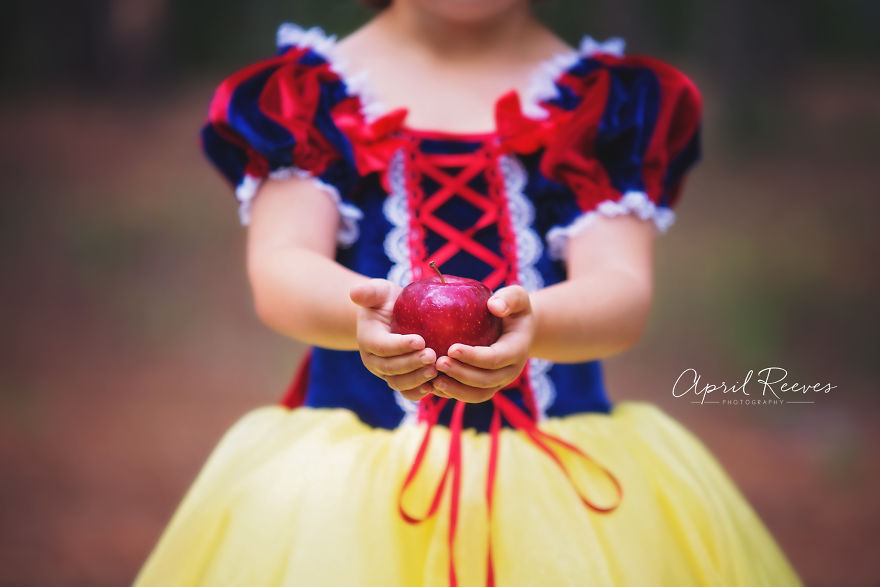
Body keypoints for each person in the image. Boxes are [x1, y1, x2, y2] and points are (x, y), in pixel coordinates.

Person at [135, 1, 802, 585]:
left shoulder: (608, 104)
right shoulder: (308, 97)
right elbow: (281, 267)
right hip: (347, 506)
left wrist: (535, 323)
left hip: (561, 492)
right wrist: (366, 314)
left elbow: (622, 290)